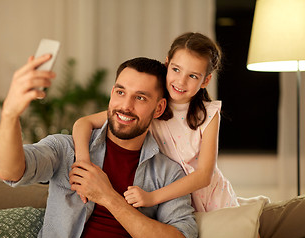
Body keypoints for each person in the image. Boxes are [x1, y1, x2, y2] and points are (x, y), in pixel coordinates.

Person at [0, 55, 198, 238]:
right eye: (120, 92)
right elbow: (11, 172)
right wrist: (9, 115)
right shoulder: (67, 149)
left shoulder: (169, 174)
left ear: (159, 108)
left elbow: (180, 237)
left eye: (140, 97)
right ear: (112, 93)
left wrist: (107, 196)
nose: (125, 106)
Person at [73, 32, 239, 212]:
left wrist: (152, 197)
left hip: (214, 198)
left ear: (205, 80)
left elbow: (204, 175)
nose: (181, 81)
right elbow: (83, 123)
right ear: (167, 64)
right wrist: (84, 164)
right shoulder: (150, 107)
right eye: (176, 69)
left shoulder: (208, 114)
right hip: (179, 204)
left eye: (193, 76)